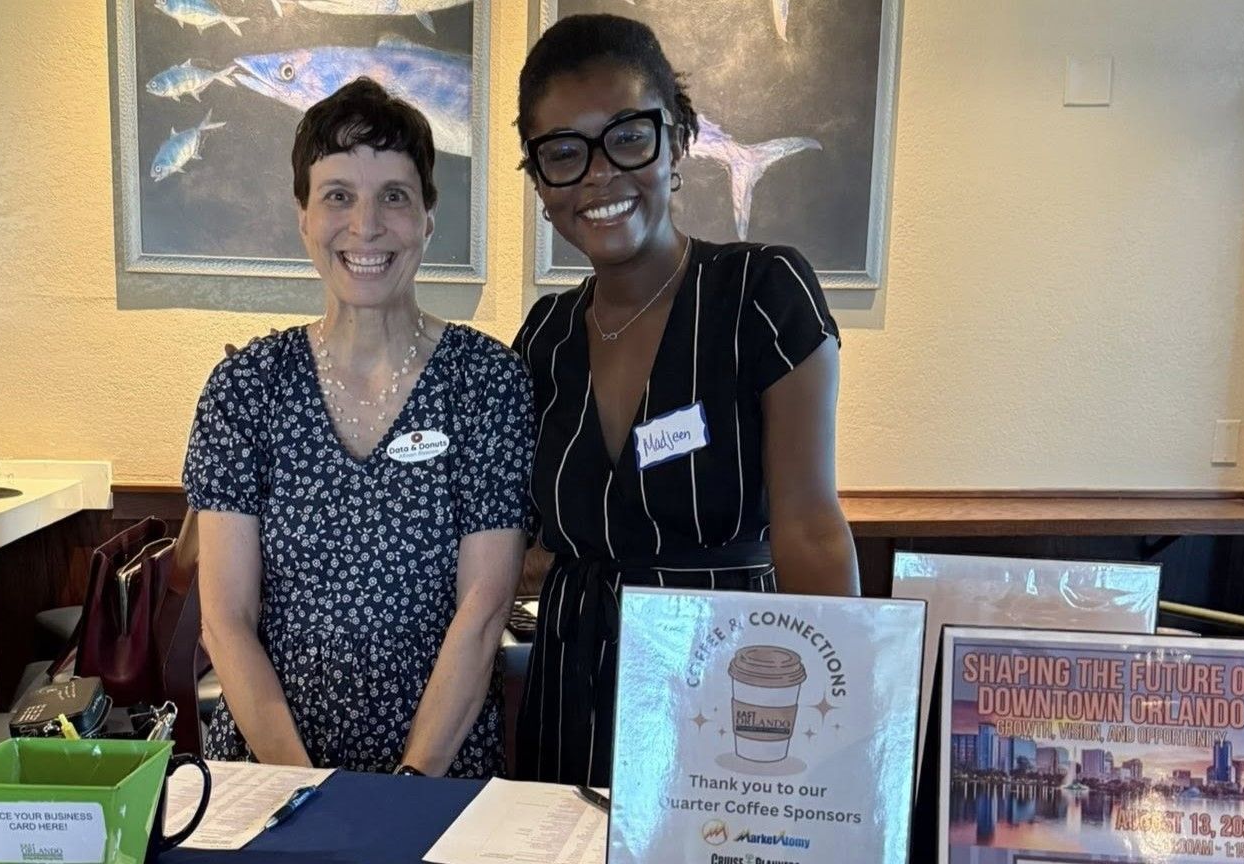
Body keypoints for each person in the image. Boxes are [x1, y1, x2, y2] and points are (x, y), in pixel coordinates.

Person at [510, 14, 860, 786]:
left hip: (732, 698)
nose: (599, 175)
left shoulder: (761, 293)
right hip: (570, 701)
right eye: (563, 153)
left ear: (677, 141)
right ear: (540, 184)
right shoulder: (543, 340)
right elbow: (522, 545)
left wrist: (838, 751)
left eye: (628, 137)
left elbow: (810, 529)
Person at [183, 78, 533, 777]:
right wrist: (305, 792)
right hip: (268, 778)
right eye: (338, 195)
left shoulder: (487, 383)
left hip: (438, 780)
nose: (365, 226)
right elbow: (225, 619)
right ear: (304, 218)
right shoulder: (246, 388)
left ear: (429, 218)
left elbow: (485, 608)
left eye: (394, 197)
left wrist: (404, 789)